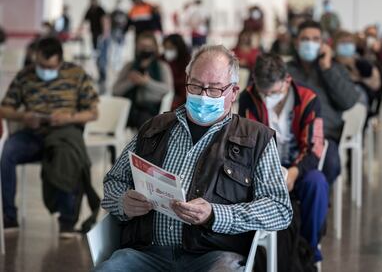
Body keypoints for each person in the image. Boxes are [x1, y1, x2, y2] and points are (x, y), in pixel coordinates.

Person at [95, 44, 292, 272]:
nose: (203, 96)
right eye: (196, 86)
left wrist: (216, 214)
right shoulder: (154, 129)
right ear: (187, 81)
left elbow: (279, 209)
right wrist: (123, 202)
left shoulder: (256, 139)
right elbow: (113, 182)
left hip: (213, 256)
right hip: (147, 252)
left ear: (234, 92)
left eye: (215, 89)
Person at [0, 37, 100, 236]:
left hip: (64, 132)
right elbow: (4, 108)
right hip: (33, 133)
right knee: (7, 153)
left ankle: (67, 219)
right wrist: (24, 117)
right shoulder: (25, 76)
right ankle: (9, 216)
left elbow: (93, 112)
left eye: (50, 66)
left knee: (66, 156)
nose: (44, 70)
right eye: (40, 65)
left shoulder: (76, 74)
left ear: (60, 61)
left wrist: (68, 118)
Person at [239, 53, 328, 265]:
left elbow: (315, 147)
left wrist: (295, 172)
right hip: (262, 169)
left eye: (274, 92)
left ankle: (307, 248)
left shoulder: (309, 99)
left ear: (286, 80)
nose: (268, 96)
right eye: (264, 92)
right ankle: (251, 251)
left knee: (317, 183)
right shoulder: (249, 97)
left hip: (298, 166)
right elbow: (246, 142)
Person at [286, 20, 360, 185]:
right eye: (305, 39)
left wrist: (326, 68)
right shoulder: (286, 70)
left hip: (325, 135)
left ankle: (319, 201)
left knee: (330, 164)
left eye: (315, 39)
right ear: (296, 42)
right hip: (290, 135)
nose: (310, 43)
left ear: (322, 44)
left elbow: (348, 101)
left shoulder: (334, 68)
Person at [113, 31, 173, 129]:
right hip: (129, 108)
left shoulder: (162, 67)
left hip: (151, 109)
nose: (145, 49)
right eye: (142, 46)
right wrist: (131, 81)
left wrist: (147, 82)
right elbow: (115, 90)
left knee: (145, 122)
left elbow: (168, 90)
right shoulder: (129, 66)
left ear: (155, 48)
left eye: (149, 46)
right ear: (137, 47)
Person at [81, 0, 110, 94]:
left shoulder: (100, 10)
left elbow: (105, 21)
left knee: (102, 57)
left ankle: (103, 76)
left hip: (101, 37)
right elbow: (84, 21)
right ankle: (100, 75)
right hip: (94, 36)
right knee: (96, 56)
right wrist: (79, 32)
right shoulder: (90, 10)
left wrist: (105, 34)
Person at [162, 34, 191, 110]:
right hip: (163, 94)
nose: (167, 51)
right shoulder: (161, 59)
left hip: (181, 98)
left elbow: (185, 83)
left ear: (178, 47)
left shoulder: (186, 61)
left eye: (171, 48)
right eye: (165, 48)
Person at [110, 0, 128, 71]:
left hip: (122, 33)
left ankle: (119, 64)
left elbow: (126, 23)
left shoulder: (124, 13)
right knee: (115, 48)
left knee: (120, 49)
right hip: (114, 32)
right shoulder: (113, 13)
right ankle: (114, 64)